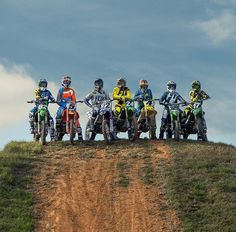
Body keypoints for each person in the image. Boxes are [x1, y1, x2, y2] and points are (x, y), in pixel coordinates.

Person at [56, 76, 83, 140]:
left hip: (70, 106)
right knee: (59, 115)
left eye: (68, 81)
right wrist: (64, 104)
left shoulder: (71, 90)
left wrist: (73, 103)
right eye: (65, 81)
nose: (67, 83)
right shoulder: (60, 90)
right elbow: (58, 100)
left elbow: (74, 99)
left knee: (76, 116)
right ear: (62, 82)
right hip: (63, 106)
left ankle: (80, 135)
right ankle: (58, 131)